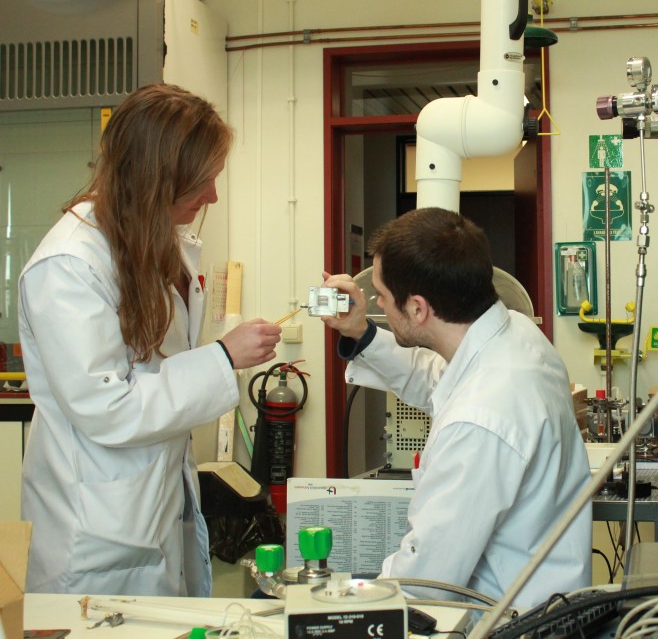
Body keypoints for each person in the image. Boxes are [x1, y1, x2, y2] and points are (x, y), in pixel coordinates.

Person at [18, 84, 282, 596]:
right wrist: (223, 357)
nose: (212, 197)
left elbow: (156, 370)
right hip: (95, 530)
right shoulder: (70, 264)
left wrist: (220, 359)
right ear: (156, 178)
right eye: (203, 182)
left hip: (153, 503)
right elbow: (105, 406)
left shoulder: (153, 243)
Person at [321, 207, 592, 607]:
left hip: (501, 620)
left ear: (418, 308)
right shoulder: (516, 336)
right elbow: (441, 380)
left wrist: (337, 604)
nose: (377, 302)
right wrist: (360, 332)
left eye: (382, 295)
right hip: (537, 595)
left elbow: (424, 582)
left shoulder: (480, 419)